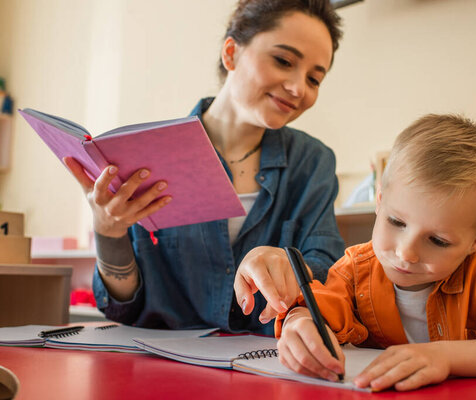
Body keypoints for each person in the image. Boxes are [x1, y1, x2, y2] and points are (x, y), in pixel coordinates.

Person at [63, 0, 345, 335]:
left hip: (266, 366)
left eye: (314, 79)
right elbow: (126, 305)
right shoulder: (148, 154)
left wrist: (287, 267)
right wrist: (109, 233)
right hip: (163, 365)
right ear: (231, 54)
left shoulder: (313, 163)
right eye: (284, 61)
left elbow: (328, 272)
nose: (298, 88)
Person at [276, 114, 476, 390]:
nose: (406, 253)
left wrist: (443, 356)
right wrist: (300, 323)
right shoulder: (353, 270)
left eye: (438, 240)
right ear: (379, 200)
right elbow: (319, 308)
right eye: (396, 222)